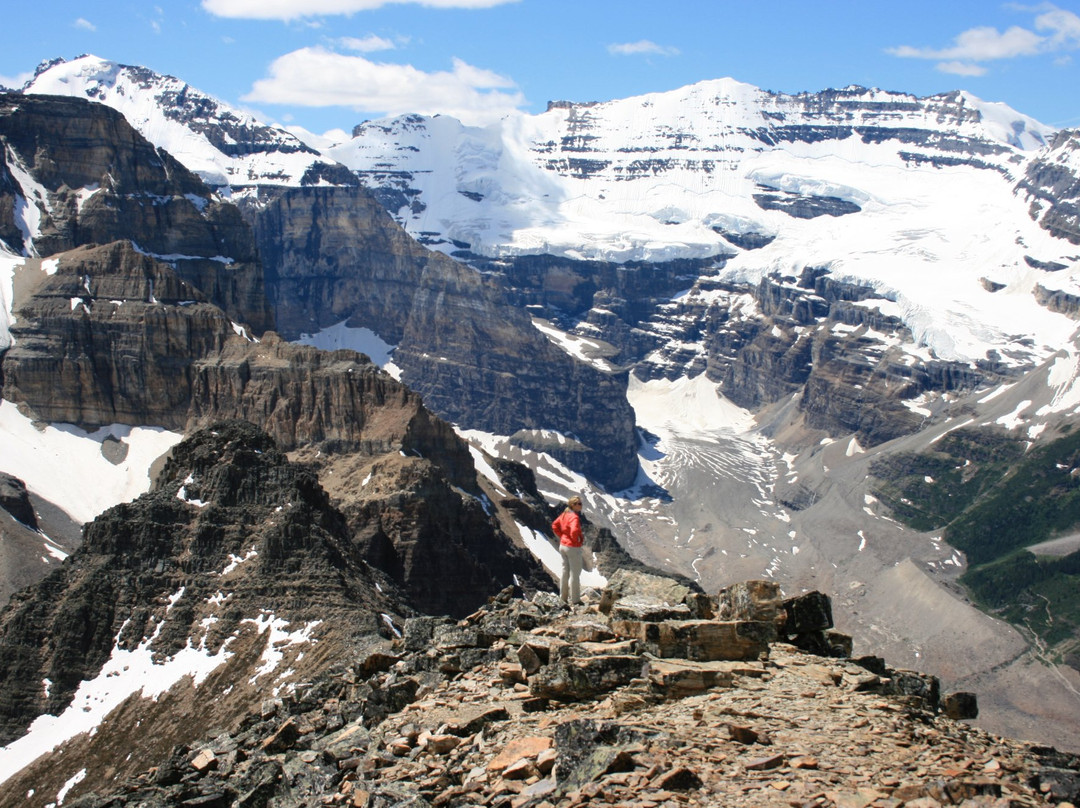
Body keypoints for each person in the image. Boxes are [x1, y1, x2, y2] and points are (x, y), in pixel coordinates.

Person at [552, 495, 585, 607]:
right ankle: (575, 600)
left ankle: (563, 598)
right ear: (573, 505)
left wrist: (563, 536)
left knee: (565, 572)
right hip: (572, 547)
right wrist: (576, 540)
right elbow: (574, 530)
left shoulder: (564, 514)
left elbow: (554, 525)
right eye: (579, 504)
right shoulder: (574, 517)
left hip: (563, 545)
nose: (581, 506)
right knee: (575, 574)